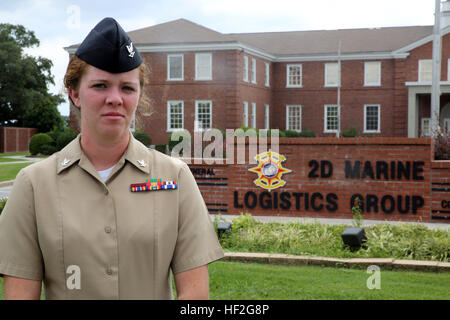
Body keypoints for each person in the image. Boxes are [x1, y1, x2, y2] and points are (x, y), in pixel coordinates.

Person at [0, 17, 224, 300]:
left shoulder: (174, 178)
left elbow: (195, 295)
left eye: (127, 88)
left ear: (139, 95)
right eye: (101, 86)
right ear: (74, 93)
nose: (115, 98)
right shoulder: (33, 185)